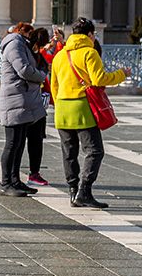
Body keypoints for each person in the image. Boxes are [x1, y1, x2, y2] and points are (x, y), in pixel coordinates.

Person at [51, 18, 130, 209]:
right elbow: (99, 79)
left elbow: (54, 85)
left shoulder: (60, 55)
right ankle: (84, 191)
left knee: (69, 153)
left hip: (62, 108)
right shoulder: (89, 53)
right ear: (89, 35)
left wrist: (60, 103)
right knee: (94, 151)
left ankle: (72, 191)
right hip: (82, 108)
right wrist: (121, 74)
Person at [0, 22, 48, 197]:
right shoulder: (14, 44)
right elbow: (24, 70)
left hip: (22, 100)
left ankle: (15, 180)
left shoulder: (21, 45)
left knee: (19, 144)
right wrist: (42, 76)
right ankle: (6, 183)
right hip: (14, 100)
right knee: (11, 144)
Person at [25, 28, 53, 187]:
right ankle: (29, 173)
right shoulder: (30, 54)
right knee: (29, 140)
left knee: (34, 139)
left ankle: (32, 173)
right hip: (31, 100)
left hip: (37, 101)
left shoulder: (36, 54)